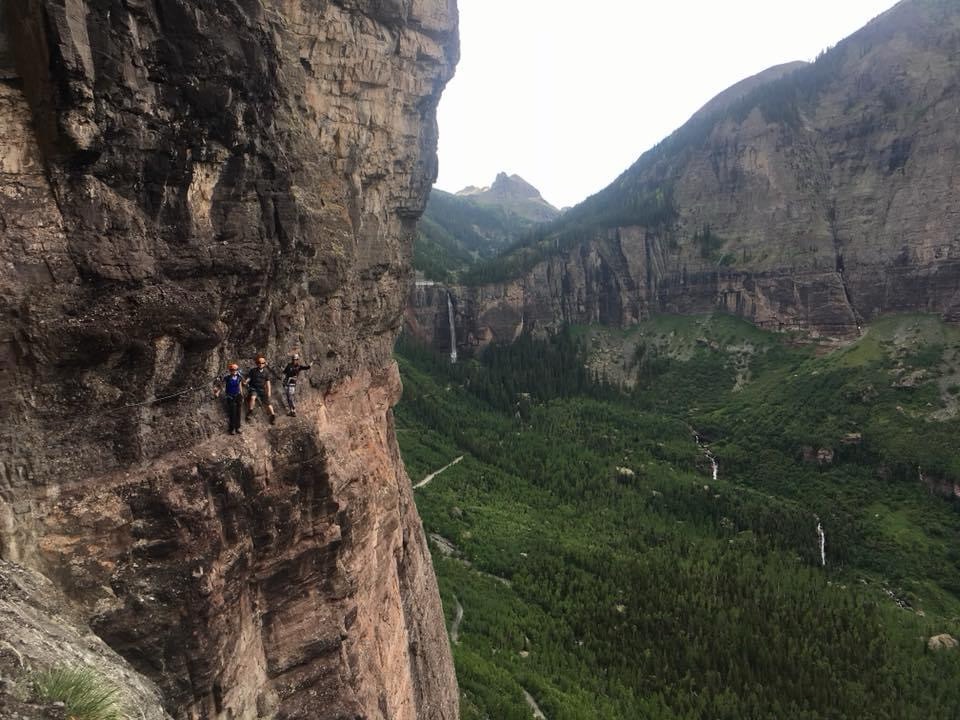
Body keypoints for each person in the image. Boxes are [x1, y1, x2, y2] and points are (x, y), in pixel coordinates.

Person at [213, 363, 246, 435]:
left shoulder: (239, 377)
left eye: (235, 369)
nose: (234, 371)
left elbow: (240, 387)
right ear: (230, 370)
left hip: (238, 395)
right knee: (233, 412)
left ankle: (238, 427)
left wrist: (242, 395)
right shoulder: (227, 377)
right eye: (232, 370)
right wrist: (217, 392)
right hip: (230, 396)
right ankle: (232, 428)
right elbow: (222, 385)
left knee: (238, 412)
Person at [246, 355, 276, 424]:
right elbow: (249, 378)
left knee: (268, 403)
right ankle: (250, 412)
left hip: (262, 389)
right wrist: (246, 381)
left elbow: (268, 383)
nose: (261, 364)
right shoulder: (253, 370)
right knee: (253, 397)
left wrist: (269, 392)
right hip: (254, 388)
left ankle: (273, 416)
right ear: (257, 363)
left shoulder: (266, 372)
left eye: (262, 363)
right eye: (259, 362)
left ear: (264, 364)